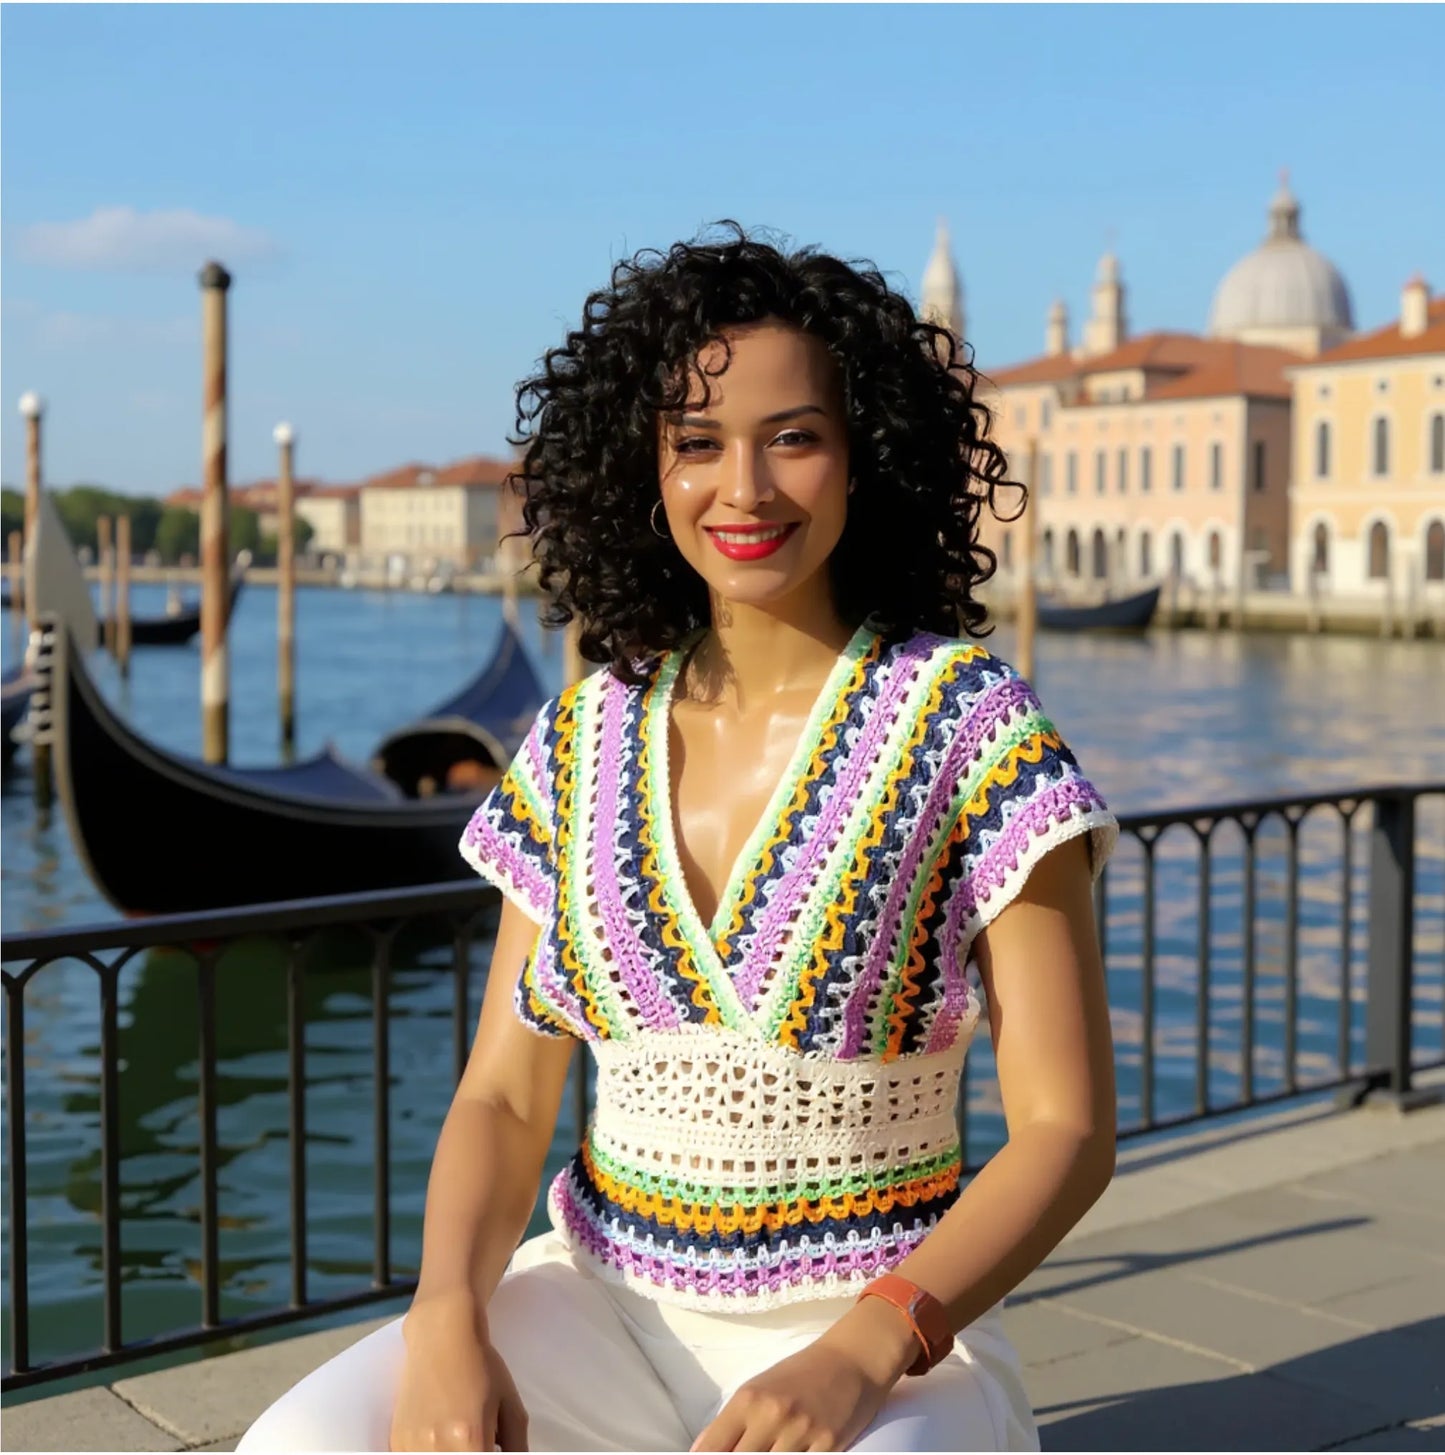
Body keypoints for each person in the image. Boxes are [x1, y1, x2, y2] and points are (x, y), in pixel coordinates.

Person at [238, 222, 1118, 1453]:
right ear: (641, 471)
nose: (742, 489)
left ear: (867, 457)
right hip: (596, 1305)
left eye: (793, 439)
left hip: (889, 1345)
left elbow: (1066, 1132)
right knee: (305, 1443)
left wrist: (862, 1352)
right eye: (696, 444)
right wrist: (448, 1317)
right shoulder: (578, 737)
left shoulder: (974, 729)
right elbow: (500, 1093)